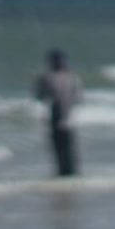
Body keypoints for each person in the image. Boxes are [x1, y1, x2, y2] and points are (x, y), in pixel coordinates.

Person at [34, 49, 83, 177]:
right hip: (67, 114)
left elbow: (40, 96)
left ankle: (66, 174)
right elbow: (78, 98)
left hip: (59, 113)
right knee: (67, 148)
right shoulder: (72, 76)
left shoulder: (48, 77)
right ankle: (69, 174)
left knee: (61, 148)